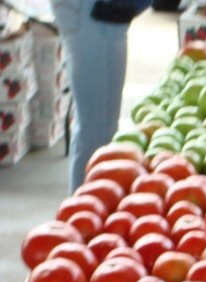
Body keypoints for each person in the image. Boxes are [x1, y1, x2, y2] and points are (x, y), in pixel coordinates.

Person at [50, 0, 151, 193]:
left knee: (97, 127)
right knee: (98, 131)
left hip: (94, 15)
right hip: (94, 15)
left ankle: (84, 207)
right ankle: (84, 209)